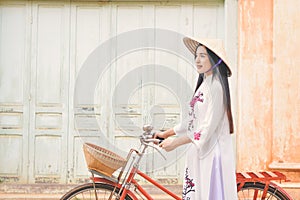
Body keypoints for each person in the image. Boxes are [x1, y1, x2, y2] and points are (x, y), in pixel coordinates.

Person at [154, 37, 237, 199]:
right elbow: (193, 121)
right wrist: (167, 134)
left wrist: (176, 142)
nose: (197, 60)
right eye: (196, 55)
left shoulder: (216, 88)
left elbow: (205, 129)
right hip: (200, 151)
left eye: (203, 56)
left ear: (215, 60)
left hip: (212, 155)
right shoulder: (205, 85)